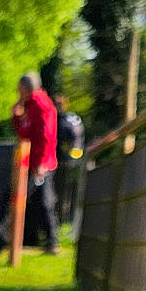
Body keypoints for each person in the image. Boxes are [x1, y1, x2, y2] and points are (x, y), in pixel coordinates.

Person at [11, 70, 59, 254]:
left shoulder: (41, 105)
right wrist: (16, 116)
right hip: (35, 162)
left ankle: (52, 242)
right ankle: (41, 241)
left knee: (44, 202)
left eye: (19, 89)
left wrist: (41, 163)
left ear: (25, 88)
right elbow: (25, 134)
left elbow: (45, 137)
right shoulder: (31, 104)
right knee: (35, 202)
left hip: (42, 164)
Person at [54, 93, 85, 225]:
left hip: (61, 162)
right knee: (68, 195)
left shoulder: (59, 120)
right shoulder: (74, 119)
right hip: (75, 162)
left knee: (59, 195)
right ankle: (63, 224)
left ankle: (59, 223)